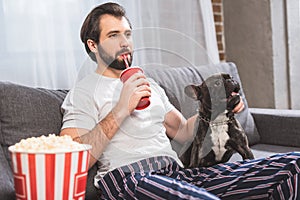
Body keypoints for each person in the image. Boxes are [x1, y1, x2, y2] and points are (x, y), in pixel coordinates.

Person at [60, 2, 300, 199]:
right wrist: (121, 109)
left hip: (178, 174)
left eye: (128, 34)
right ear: (93, 45)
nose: (125, 43)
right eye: (114, 35)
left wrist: (218, 109)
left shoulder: (149, 84)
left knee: (294, 165)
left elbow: (184, 131)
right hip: (130, 179)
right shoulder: (83, 92)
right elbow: (69, 159)